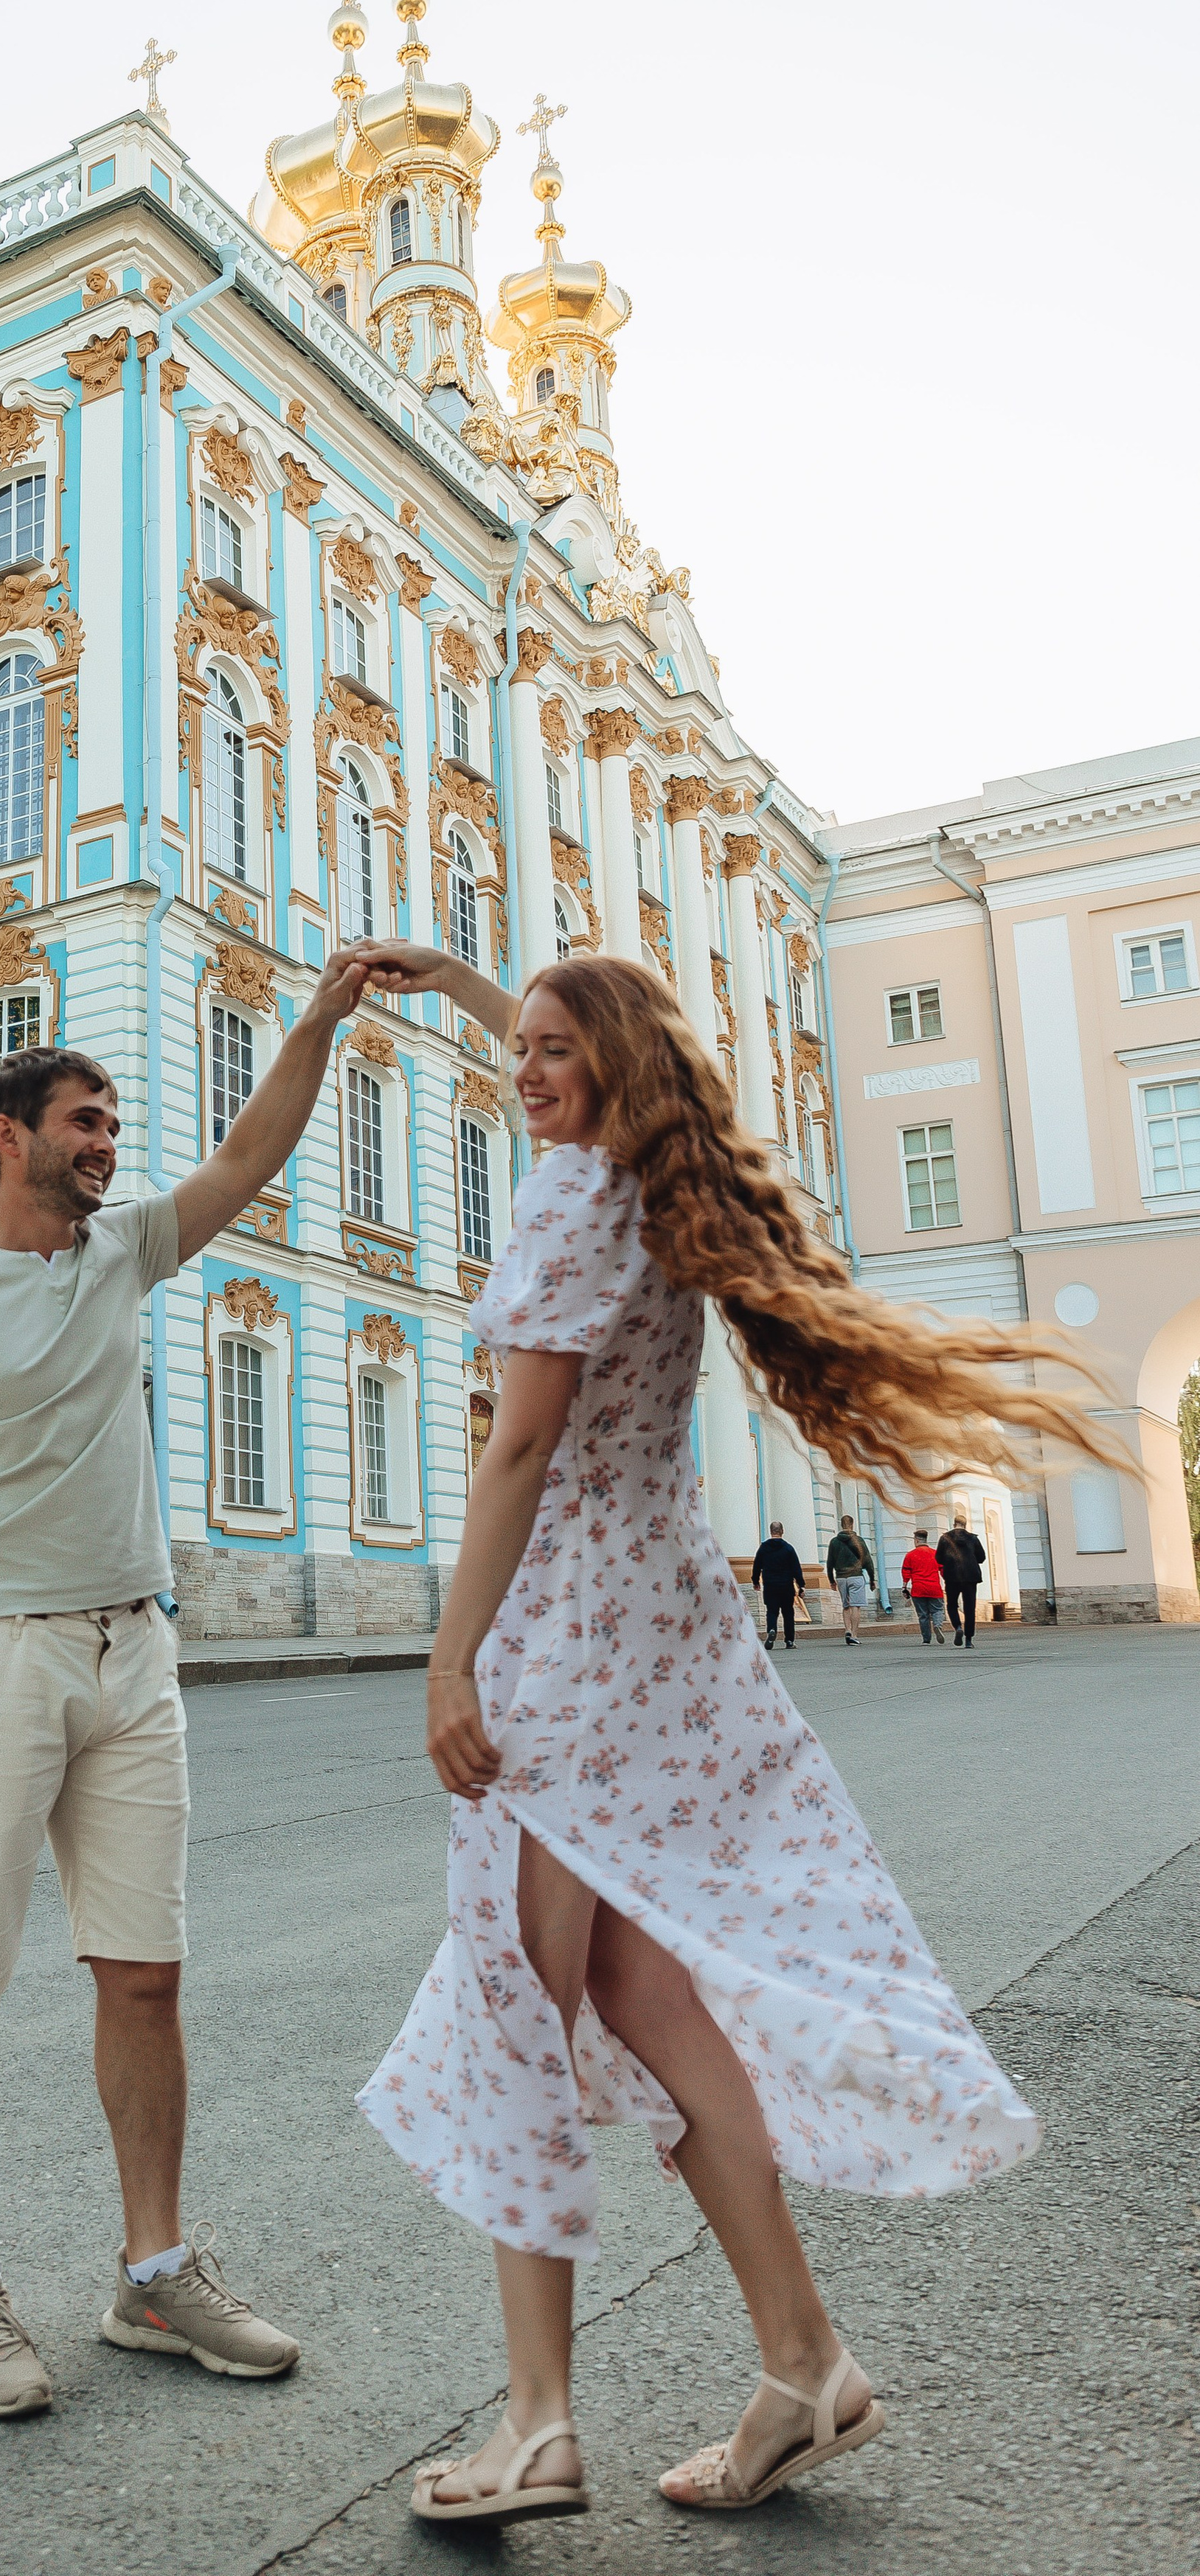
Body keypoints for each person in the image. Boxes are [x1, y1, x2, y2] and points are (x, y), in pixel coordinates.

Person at [344, 938, 1125, 2524]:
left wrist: (450, 1660)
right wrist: (469, 992)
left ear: (613, 1073)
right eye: (523, 1053)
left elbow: (514, 1453)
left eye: (553, 1054)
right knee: (631, 1990)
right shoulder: (643, 1186)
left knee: (514, 2005)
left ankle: (539, 2426)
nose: (526, 1073)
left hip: (558, 1646)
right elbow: (578, 1069)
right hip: (657, 1632)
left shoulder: (571, 1199)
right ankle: (801, 2362)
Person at [0, 950, 372, 2420]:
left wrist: (315, 1024)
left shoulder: (122, 1251)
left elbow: (251, 1152)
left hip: (135, 1653)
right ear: (7, 1135)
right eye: (83, 1120)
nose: (106, 1142)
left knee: (144, 1972)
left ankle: (153, 2274)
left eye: (112, 1123)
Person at [749, 1520, 805, 1649]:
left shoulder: (764, 1548)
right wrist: (801, 1585)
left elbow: (757, 1566)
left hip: (770, 1585)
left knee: (772, 1611)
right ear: (782, 1531)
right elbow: (796, 1568)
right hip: (786, 1586)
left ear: (771, 1531)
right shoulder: (788, 1548)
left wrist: (755, 1581)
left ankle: (772, 1630)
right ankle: (789, 1641)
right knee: (788, 1613)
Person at [936, 1514, 988, 1646]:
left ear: (954, 1525)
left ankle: (958, 1627)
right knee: (970, 1608)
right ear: (965, 1525)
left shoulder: (945, 1538)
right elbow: (981, 1557)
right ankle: (969, 1640)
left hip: (952, 1576)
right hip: (970, 1577)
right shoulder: (973, 1538)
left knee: (952, 1605)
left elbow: (938, 1558)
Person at [825, 1517, 875, 1644]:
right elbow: (868, 1561)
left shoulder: (834, 1542)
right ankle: (854, 1635)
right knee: (855, 1607)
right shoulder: (858, 1541)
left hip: (841, 1578)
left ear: (841, 1525)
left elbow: (830, 1563)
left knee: (846, 1606)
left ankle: (847, 1629)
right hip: (856, 1576)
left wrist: (831, 1580)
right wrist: (872, 1579)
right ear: (852, 1525)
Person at [901, 1529, 948, 1645]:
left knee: (923, 1615)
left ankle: (926, 1639)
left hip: (918, 1589)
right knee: (938, 1610)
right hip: (934, 1588)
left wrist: (904, 1587)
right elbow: (943, 1570)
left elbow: (906, 1573)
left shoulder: (910, 1555)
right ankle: (937, 1625)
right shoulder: (936, 1554)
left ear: (916, 1540)